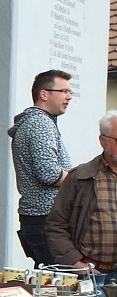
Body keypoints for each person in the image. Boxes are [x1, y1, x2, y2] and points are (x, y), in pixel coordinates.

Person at [8, 70, 73, 267]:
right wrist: (78, 178)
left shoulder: (37, 121)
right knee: (57, 286)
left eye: (70, 92)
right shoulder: (40, 123)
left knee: (48, 283)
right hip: (46, 219)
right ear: (44, 94)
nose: (69, 97)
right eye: (63, 91)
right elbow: (49, 173)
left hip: (39, 219)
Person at [46, 110, 117, 274]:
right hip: (93, 273)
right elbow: (56, 225)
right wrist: (75, 262)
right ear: (102, 141)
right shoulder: (80, 177)